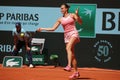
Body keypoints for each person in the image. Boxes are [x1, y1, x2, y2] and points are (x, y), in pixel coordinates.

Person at [36, 3, 82, 79]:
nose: (61, 10)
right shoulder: (60, 19)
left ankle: (69, 66)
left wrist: (77, 15)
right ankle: (76, 72)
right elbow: (53, 29)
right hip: (66, 36)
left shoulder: (72, 15)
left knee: (68, 48)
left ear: (66, 9)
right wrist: (42, 29)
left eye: (62, 8)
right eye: (61, 8)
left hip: (74, 33)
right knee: (72, 54)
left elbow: (80, 22)